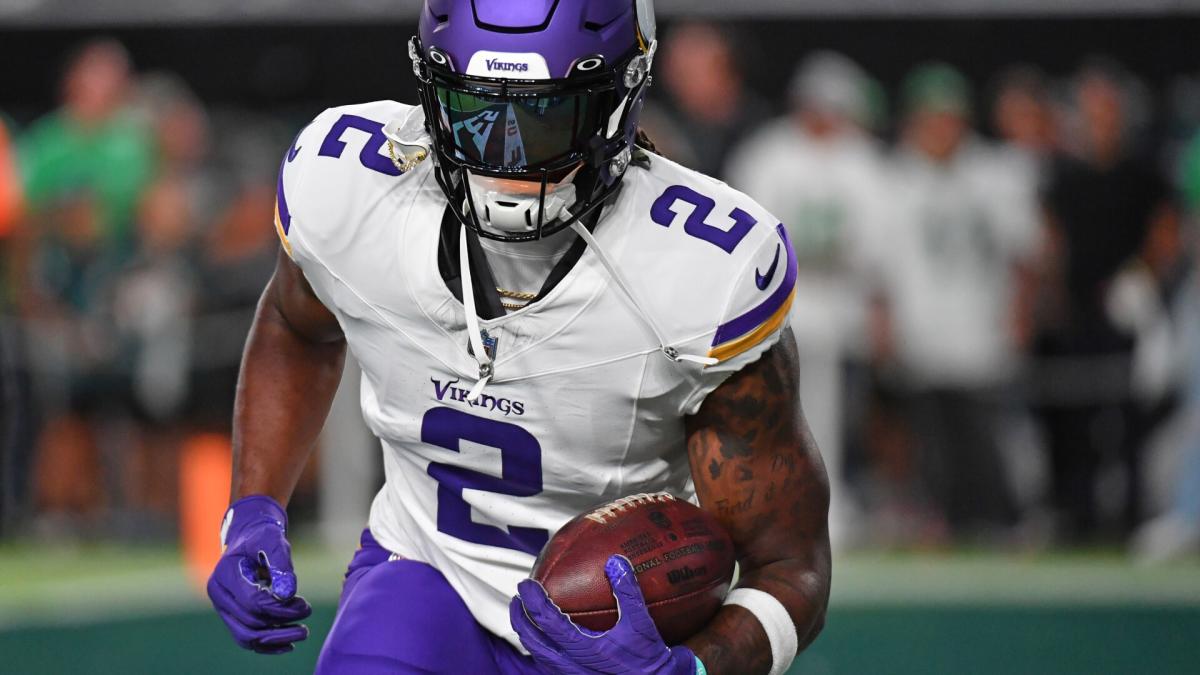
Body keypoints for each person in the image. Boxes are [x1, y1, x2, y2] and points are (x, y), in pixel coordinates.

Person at [206, 2, 831, 674]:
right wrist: (253, 507)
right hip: (424, 575)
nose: (503, 157)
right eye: (474, 112)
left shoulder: (704, 272)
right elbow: (296, 324)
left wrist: (695, 669)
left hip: (614, 632)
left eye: (542, 118)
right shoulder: (351, 186)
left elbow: (791, 572)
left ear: (622, 99)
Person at [725, 51, 888, 550]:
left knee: (839, 415)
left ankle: (833, 502)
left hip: (841, 301)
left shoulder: (861, 159)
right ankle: (779, 503)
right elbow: (747, 235)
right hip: (780, 298)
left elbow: (877, 243)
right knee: (775, 411)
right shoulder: (768, 153)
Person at [877, 63, 1040, 539]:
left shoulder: (997, 173)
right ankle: (941, 522)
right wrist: (885, 324)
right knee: (931, 439)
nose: (940, 129)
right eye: (931, 118)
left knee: (989, 435)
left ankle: (1005, 520)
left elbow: (1024, 255)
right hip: (922, 329)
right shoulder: (895, 178)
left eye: (948, 118)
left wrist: (1021, 314)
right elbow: (879, 269)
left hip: (982, 328)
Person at [1038, 61, 1179, 540]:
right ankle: (1079, 516)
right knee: (1076, 420)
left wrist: (1144, 276)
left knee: (1130, 417)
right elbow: (1052, 238)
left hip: (1129, 309)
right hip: (1078, 312)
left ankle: (1132, 516)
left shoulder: (1142, 171)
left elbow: (1165, 229)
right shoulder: (1064, 174)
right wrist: (1052, 295)